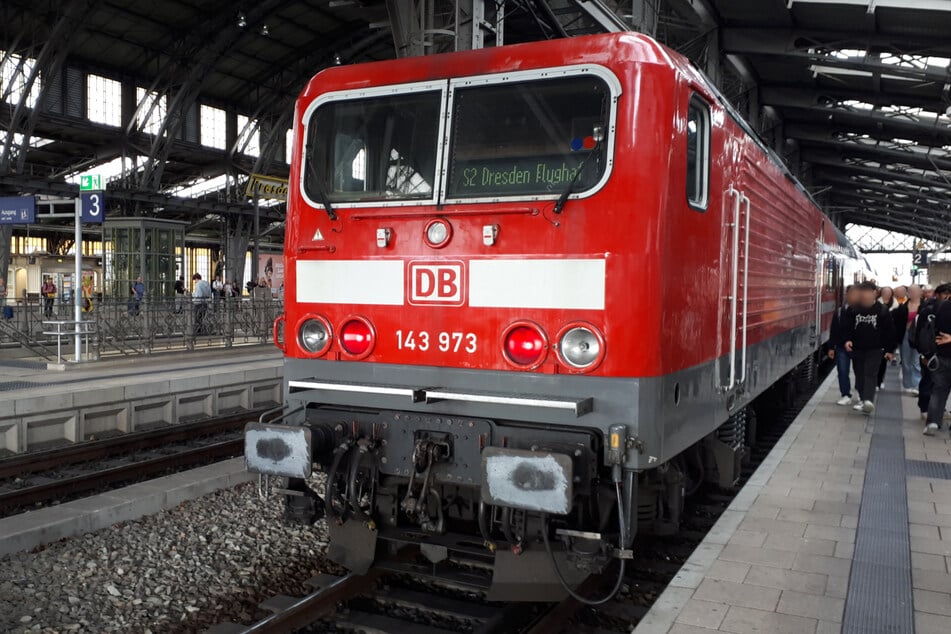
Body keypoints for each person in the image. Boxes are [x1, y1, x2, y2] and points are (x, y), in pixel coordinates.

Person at [844, 281, 896, 414]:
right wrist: (848, 339)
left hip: (876, 348)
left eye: (867, 292)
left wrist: (890, 350)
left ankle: (868, 400)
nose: (864, 295)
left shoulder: (882, 310)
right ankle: (862, 398)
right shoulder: (853, 309)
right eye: (862, 292)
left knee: (870, 373)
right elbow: (848, 327)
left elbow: (890, 331)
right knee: (859, 373)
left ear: (874, 293)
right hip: (857, 348)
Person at [916, 283, 951, 432]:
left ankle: (933, 422)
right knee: (939, 388)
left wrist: (927, 353)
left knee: (938, 390)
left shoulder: (942, 307)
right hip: (943, 355)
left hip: (941, 355)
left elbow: (932, 331)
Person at [829, 285, 858, 405]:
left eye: (856, 294)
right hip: (841, 347)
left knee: (859, 372)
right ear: (847, 295)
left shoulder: (862, 312)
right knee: (842, 370)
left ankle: (861, 394)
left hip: (858, 347)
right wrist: (831, 347)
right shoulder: (840, 312)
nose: (853, 297)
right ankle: (845, 394)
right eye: (851, 294)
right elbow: (834, 330)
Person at [897, 284, 923, 395]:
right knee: (906, 361)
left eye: (915, 291)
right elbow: (898, 322)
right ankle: (907, 384)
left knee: (916, 361)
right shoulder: (903, 306)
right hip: (906, 335)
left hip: (919, 336)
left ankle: (916, 385)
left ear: (920, 292)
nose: (913, 293)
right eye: (911, 291)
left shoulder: (925, 306)